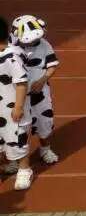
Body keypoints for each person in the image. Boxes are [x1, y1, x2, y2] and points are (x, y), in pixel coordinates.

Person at [6, 15, 60, 172]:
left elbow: (52, 65)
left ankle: (45, 149)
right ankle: (15, 158)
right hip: (16, 94)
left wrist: (43, 80)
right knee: (15, 127)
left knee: (44, 120)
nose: (33, 43)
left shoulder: (44, 45)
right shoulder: (10, 47)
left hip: (39, 93)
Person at [0, 16, 33, 190]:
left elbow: (21, 83)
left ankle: (24, 169)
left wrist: (18, 107)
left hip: (12, 108)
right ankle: (11, 162)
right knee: (2, 139)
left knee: (17, 138)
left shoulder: (12, 56)